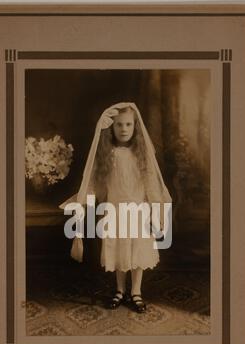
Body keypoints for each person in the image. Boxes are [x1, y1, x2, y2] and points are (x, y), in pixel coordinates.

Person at [59, 102, 172, 313]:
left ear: (135, 126)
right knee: (119, 249)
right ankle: (120, 290)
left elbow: (151, 184)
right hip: (115, 212)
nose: (124, 129)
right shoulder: (107, 155)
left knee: (138, 249)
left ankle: (136, 291)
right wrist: (84, 202)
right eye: (119, 125)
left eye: (128, 124)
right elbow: (96, 184)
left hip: (139, 211)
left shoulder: (142, 154)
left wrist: (156, 209)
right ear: (112, 127)